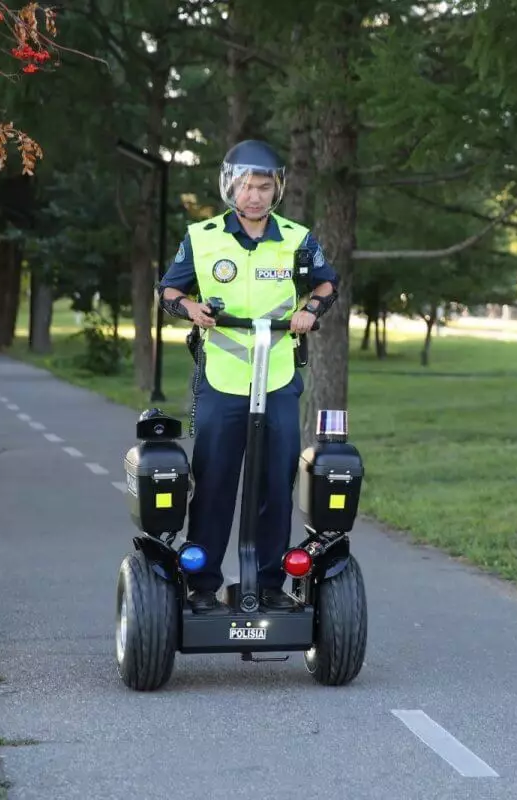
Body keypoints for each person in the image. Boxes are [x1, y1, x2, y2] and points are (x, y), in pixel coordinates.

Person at [158, 139, 338, 613]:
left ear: (276, 189)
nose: (253, 196)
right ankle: (201, 586)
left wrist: (311, 310)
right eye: (245, 186)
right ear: (229, 187)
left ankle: (270, 584)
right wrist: (190, 307)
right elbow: (168, 290)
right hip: (222, 381)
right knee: (214, 483)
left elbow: (326, 282)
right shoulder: (202, 237)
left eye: (263, 186)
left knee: (275, 485)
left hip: (277, 381)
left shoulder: (297, 239)